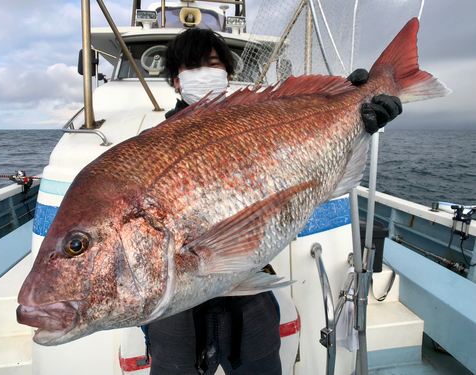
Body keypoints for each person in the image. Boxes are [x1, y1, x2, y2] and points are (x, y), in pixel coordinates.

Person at [142, 28, 402, 375]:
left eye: (213, 63)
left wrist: (360, 115)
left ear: (228, 76)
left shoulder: (261, 118)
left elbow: (305, 170)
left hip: (250, 286)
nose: (204, 72)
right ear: (176, 81)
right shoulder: (148, 149)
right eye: (192, 65)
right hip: (174, 309)